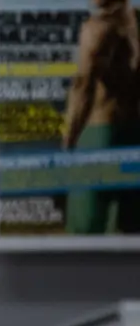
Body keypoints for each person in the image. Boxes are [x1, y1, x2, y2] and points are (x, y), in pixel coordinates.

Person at [64, 0, 140, 235]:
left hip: (99, 134)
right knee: (131, 233)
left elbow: (83, 88)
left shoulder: (97, 28)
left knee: (85, 232)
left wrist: (69, 139)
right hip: (134, 134)